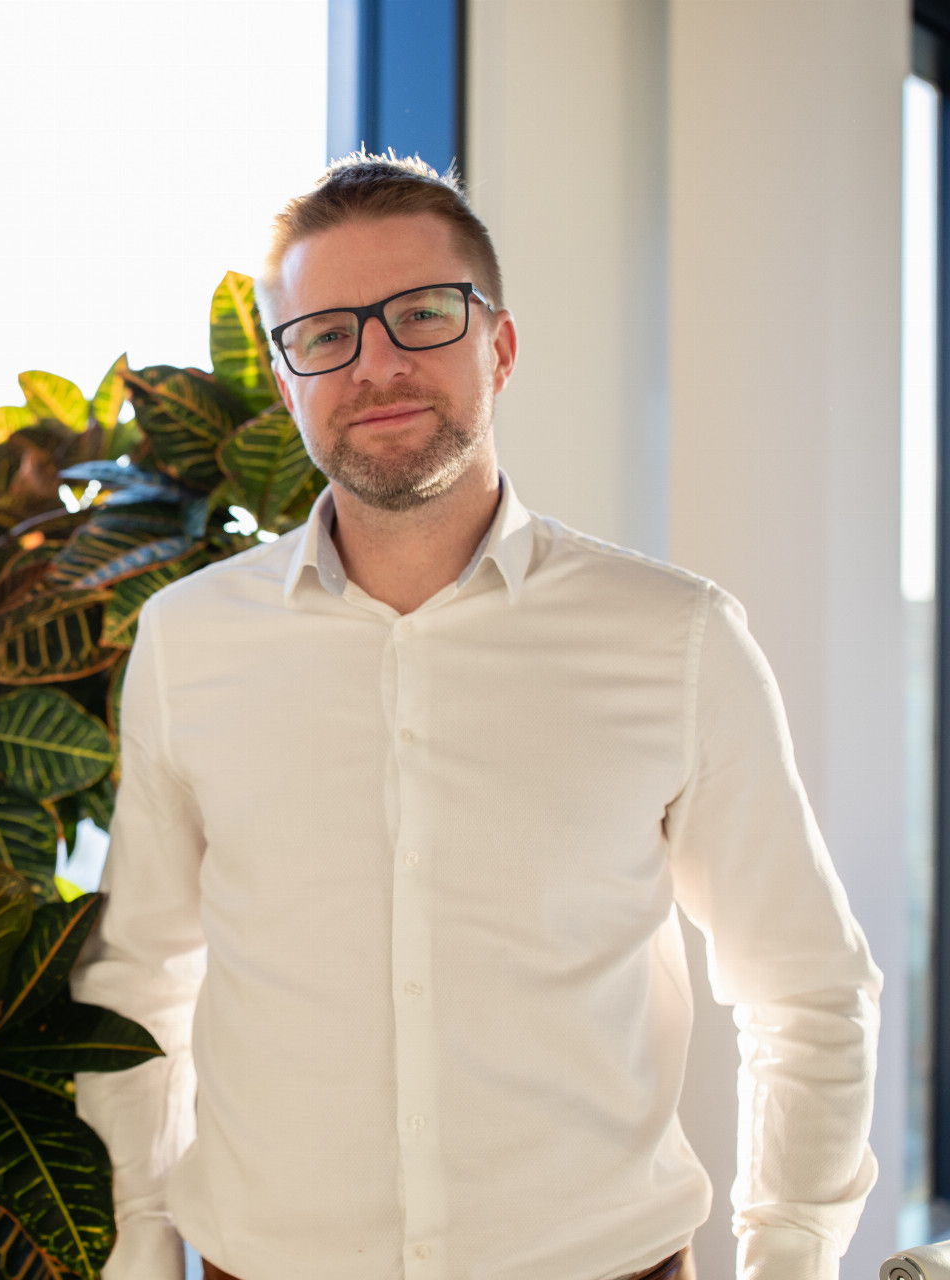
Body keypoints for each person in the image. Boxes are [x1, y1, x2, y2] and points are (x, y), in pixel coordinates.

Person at [70, 154, 881, 1280]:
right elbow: (138, 982)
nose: (378, 363)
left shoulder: (677, 636)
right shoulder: (188, 642)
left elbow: (807, 987)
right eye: (327, 334)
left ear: (498, 346)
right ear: (288, 382)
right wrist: (141, 1251)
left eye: (422, 314)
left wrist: (788, 1254)